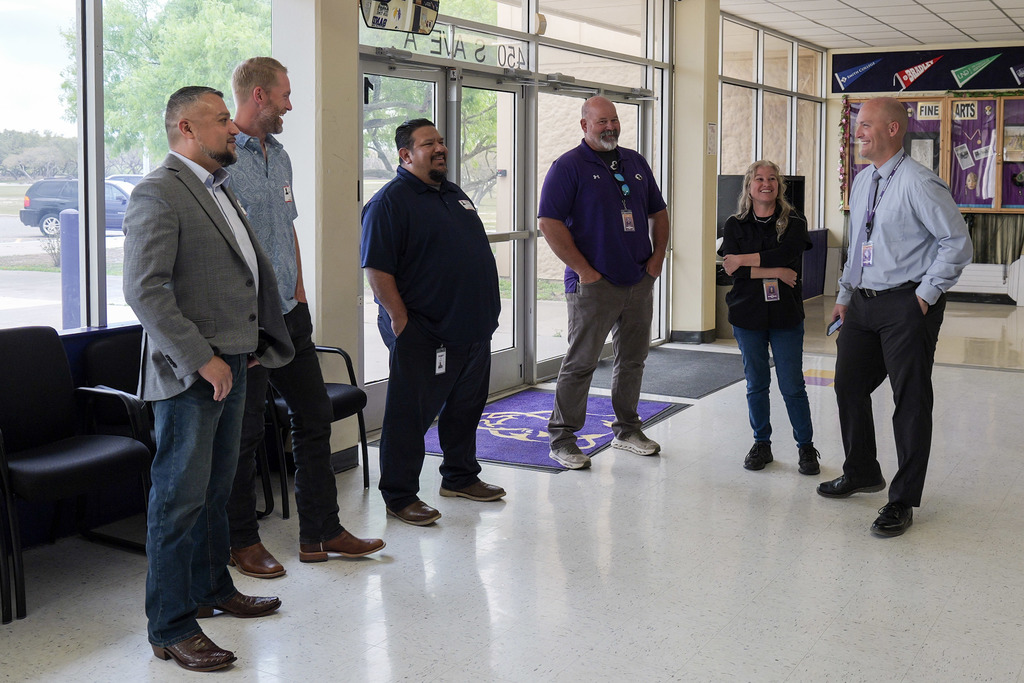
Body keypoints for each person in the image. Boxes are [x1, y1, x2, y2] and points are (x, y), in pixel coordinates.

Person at [122, 86, 295, 672]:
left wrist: (247, 344)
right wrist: (203, 358)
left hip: (235, 361)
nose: (231, 128)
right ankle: (170, 626)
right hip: (193, 374)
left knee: (218, 492)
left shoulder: (218, 188)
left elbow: (236, 274)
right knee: (178, 501)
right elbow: (145, 291)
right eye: (221, 120)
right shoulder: (158, 192)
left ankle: (212, 590)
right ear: (186, 129)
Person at [225, 57, 383, 579]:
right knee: (244, 437)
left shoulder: (281, 156)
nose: (291, 104)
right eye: (285, 95)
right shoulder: (223, 162)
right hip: (249, 323)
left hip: (291, 315)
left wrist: (299, 290)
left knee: (314, 416)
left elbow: (287, 226)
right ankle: (242, 543)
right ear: (259, 97)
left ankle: (321, 531)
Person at [820, 97, 972, 537]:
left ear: (892, 130)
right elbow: (857, 245)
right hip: (863, 304)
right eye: (857, 125)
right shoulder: (865, 181)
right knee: (848, 384)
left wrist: (924, 296)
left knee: (909, 399)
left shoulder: (920, 183)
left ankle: (902, 499)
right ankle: (863, 471)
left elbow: (957, 245)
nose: (858, 132)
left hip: (907, 304)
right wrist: (845, 295)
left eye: (866, 125)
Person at [360, 118, 506, 526]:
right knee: (410, 415)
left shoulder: (453, 193)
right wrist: (402, 321)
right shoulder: (389, 202)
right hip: (425, 332)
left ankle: (460, 476)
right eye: (429, 144)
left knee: (465, 408)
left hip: (472, 327)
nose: (440, 148)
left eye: (441, 141)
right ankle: (400, 495)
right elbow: (376, 267)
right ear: (406, 155)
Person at [538, 96, 670, 470]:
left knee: (632, 361)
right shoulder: (568, 166)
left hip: (638, 279)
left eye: (614, 120)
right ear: (584, 125)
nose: (609, 127)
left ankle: (627, 430)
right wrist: (584, 271)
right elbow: (549, 222)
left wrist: (657, 259)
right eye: (601, 122)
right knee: (581, 362)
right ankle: (562, 439)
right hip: (593, 286)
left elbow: (658, 212)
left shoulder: (636, 162)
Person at [720, 160, 819, 475]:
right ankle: (761, 443)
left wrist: (747, 262)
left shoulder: (794, 222)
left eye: (772, 179)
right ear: (749, 186)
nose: (767, 184)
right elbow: (730, 269)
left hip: (785, 316)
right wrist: (775, 271)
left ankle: (806, 448)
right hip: (747, 315)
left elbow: (785, 255)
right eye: (760, 178)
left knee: (792, 385)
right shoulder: (735, 225)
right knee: (756, 383)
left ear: (780, 185)